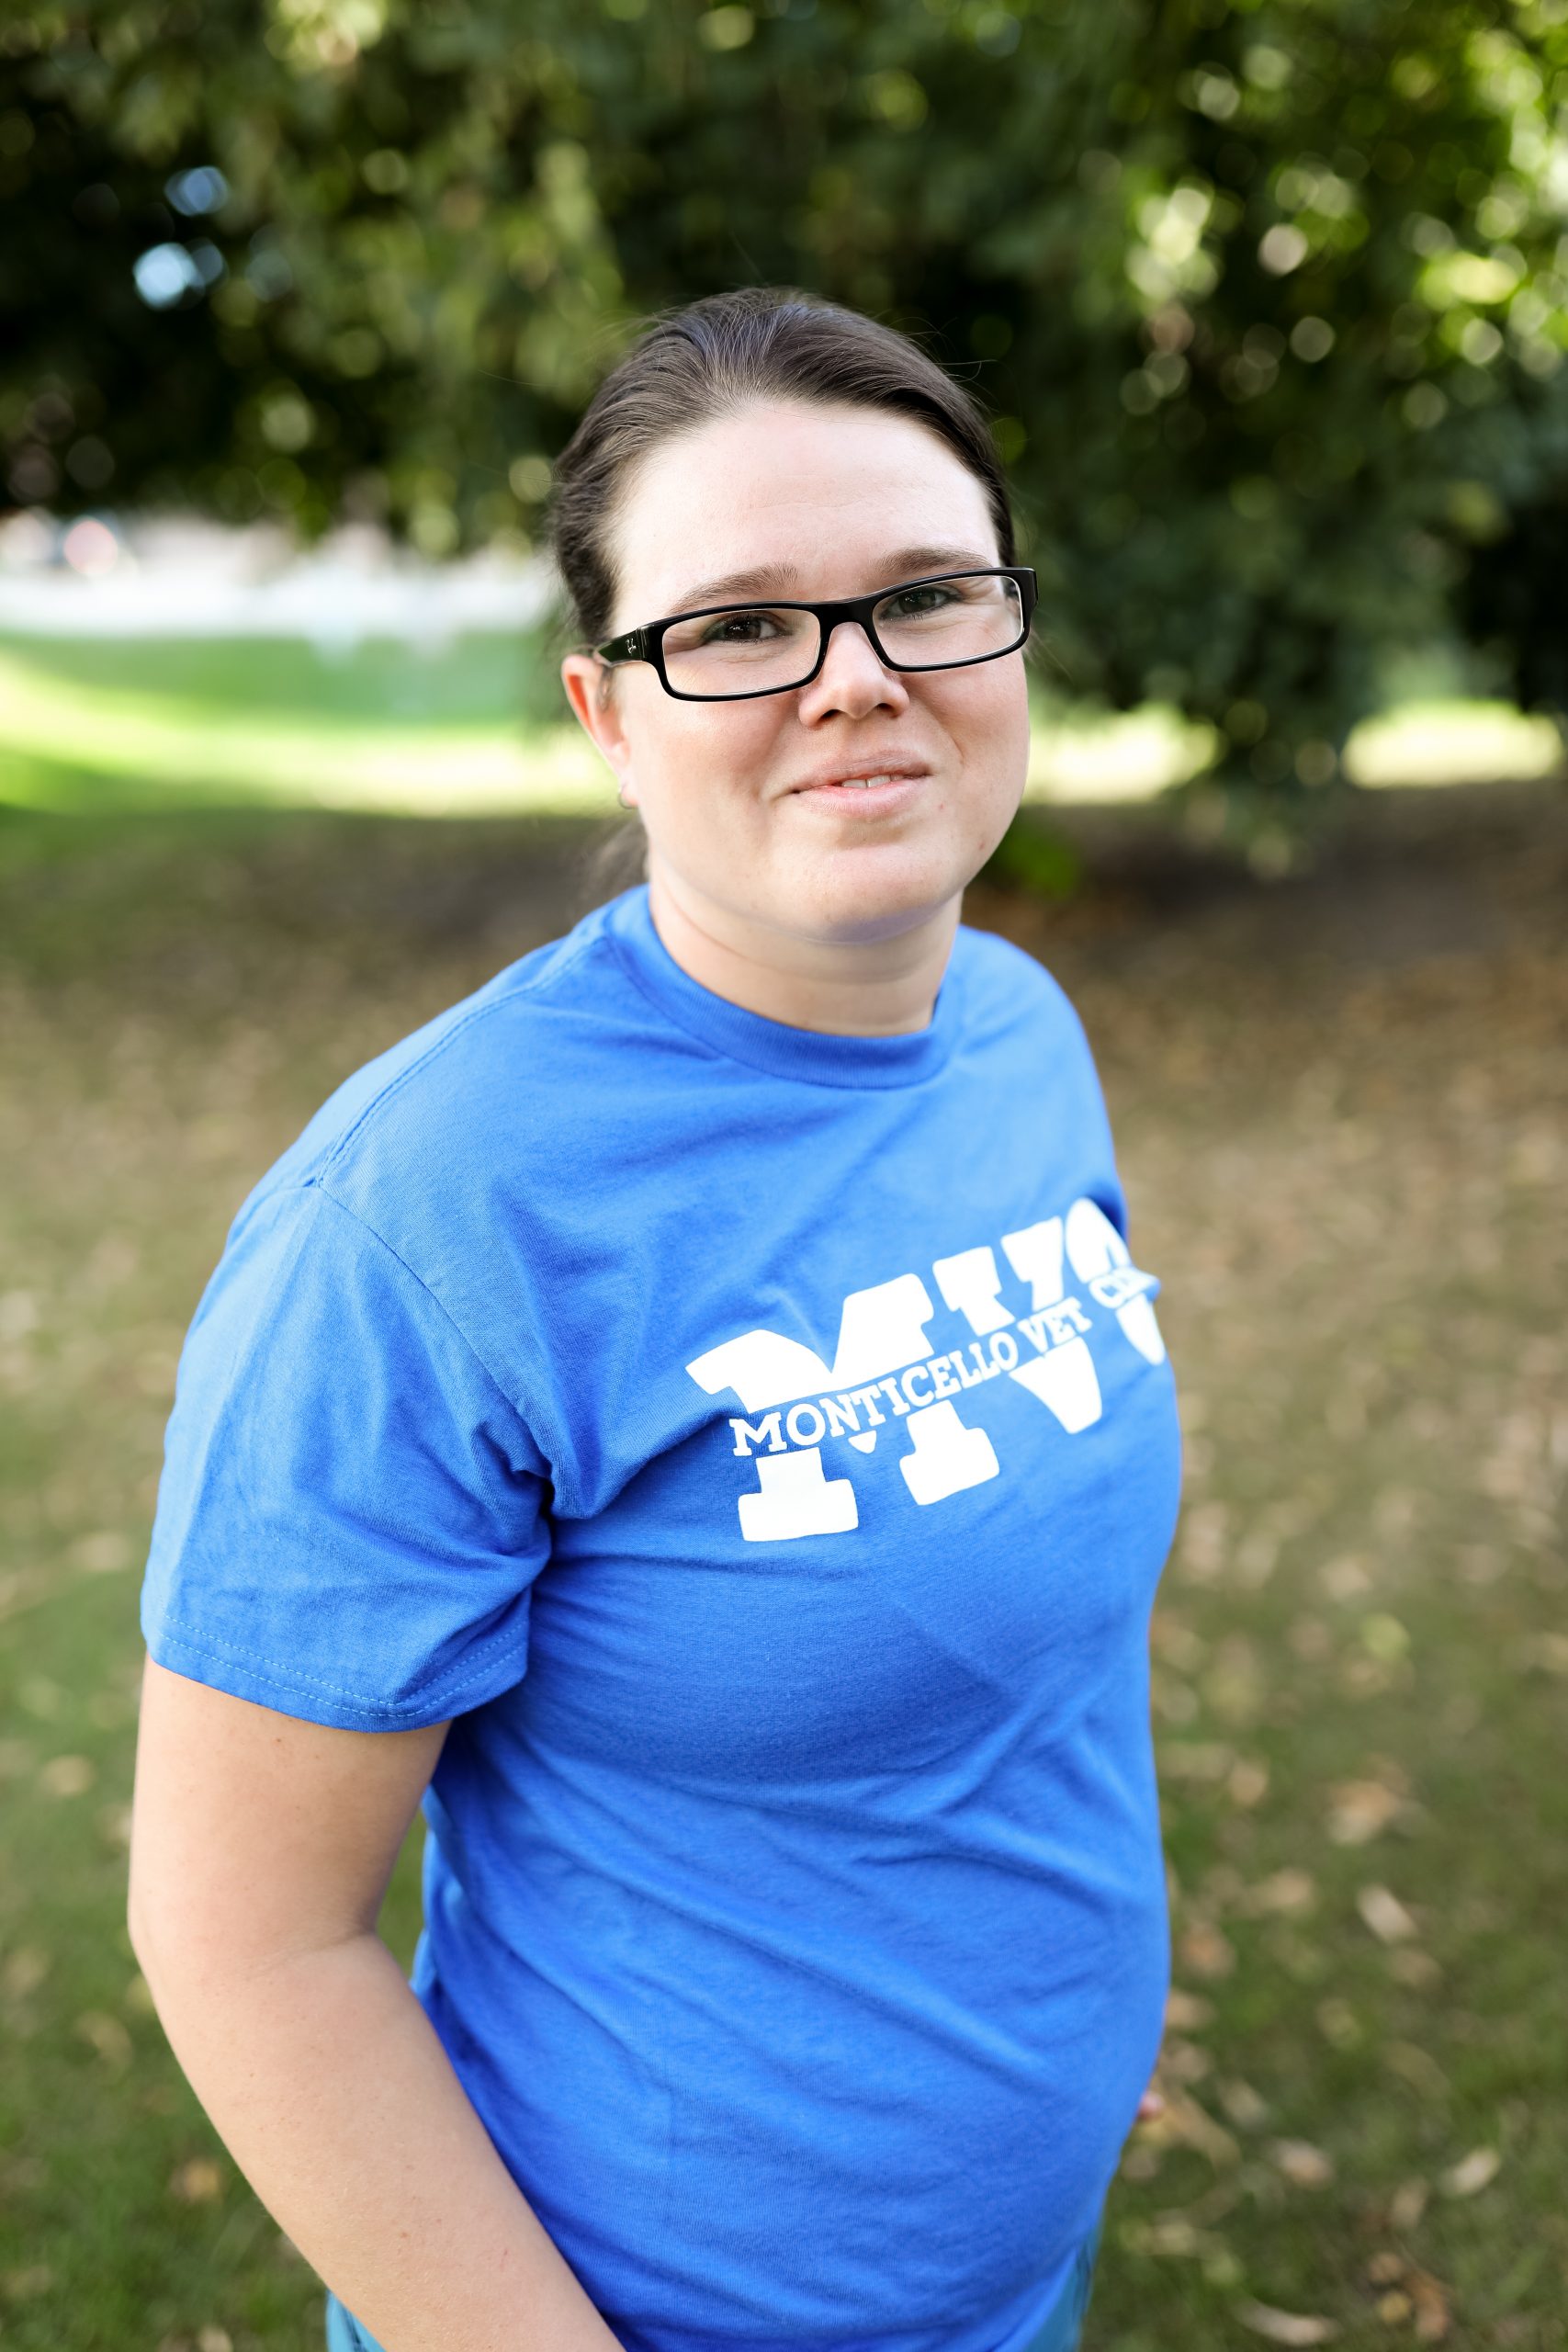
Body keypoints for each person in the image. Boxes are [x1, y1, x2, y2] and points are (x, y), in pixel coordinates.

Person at [130, 287, 1179, 2352]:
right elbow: (247, 1931)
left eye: (924, 596)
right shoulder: (429, 1214)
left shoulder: (1018, 1037)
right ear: (608, 710)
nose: (856, 680)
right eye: (738, 626)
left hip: (1012, 2282)